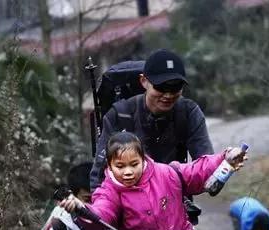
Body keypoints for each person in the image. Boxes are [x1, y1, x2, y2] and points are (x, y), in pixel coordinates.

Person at [63, 132, 247, 230]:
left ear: (143, 159)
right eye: (120, 166)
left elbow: (197, 171)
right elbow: (100, 214)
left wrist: (224, 158)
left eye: (134, 164)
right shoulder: (108, 191)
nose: (127, 172)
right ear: (110, 166)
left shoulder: (166, 173)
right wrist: (81, 210)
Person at [90, 49, 214, 190]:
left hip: (175, 195)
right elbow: (99, 177)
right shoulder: (119, 115)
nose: (168, 95)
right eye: (160, 87)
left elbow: (206, 163)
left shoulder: (188, 112)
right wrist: (100, 208)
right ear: (144, 81)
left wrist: (223, 165)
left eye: (175, 88)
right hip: (129, 200)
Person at [39, 162, 108, 230]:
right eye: (88, 199)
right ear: (73, 195)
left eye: (99, 197)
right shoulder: (59, 221)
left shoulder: (116, 211)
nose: (94, 206)